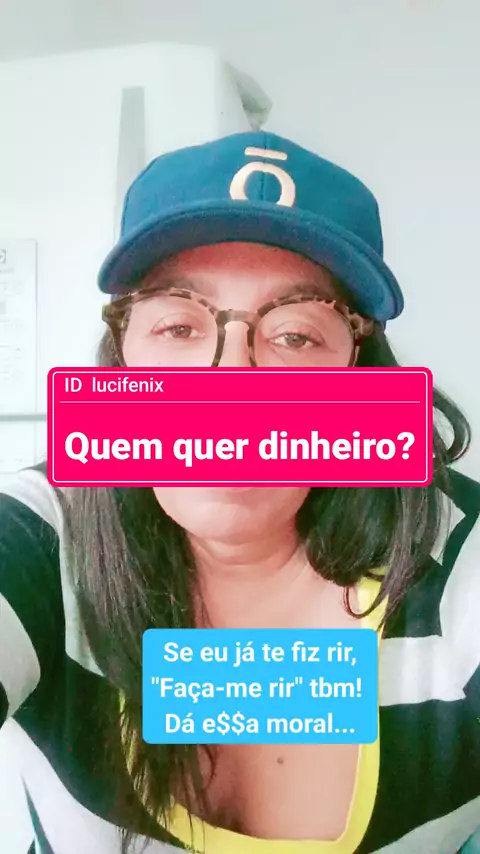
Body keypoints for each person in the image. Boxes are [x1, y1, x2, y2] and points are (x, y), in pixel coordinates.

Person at [0, 131, 479, 854]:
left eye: (295, 336)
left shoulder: (463, 565)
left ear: (361, 375)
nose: (229, 384)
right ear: (122, 356)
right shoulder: (40, 531)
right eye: (177, 325)